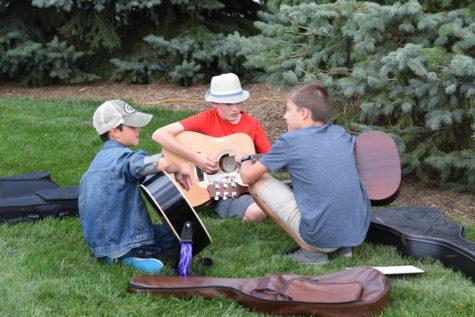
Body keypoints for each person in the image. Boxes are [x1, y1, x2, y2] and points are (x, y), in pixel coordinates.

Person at [238, 83, 371, 264]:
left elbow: (248, 177)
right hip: (356, 232)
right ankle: (343, 247)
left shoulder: (290, 141)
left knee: (257, 182)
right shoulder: (341, 134)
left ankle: (311, 253)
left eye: (288, 110)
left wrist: (245, 161)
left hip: (320, 238)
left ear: (304, 113)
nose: (284, 116)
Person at [79, 100, 191, 274]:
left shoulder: (96, 164)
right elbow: (159, 163)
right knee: (182, 236)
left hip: (100, 244)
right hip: (124, 242)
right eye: (132, 126)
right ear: (114, 131)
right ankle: (126, 258)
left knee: (164, 231)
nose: (138, 130)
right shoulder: (124, 158)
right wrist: (179, 168)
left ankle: (113, 256)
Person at [152, 73, 271, 221]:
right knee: (257, 213)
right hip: (216, 192)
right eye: (228, 104)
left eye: (238, 102)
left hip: (244, 187)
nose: (235, 108)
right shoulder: (206, 119)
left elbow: (268, 159)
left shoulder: (252, 124)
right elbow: (159, 134)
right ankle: (211, 202)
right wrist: (195, 158)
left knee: (260, 211)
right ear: (214, 103)